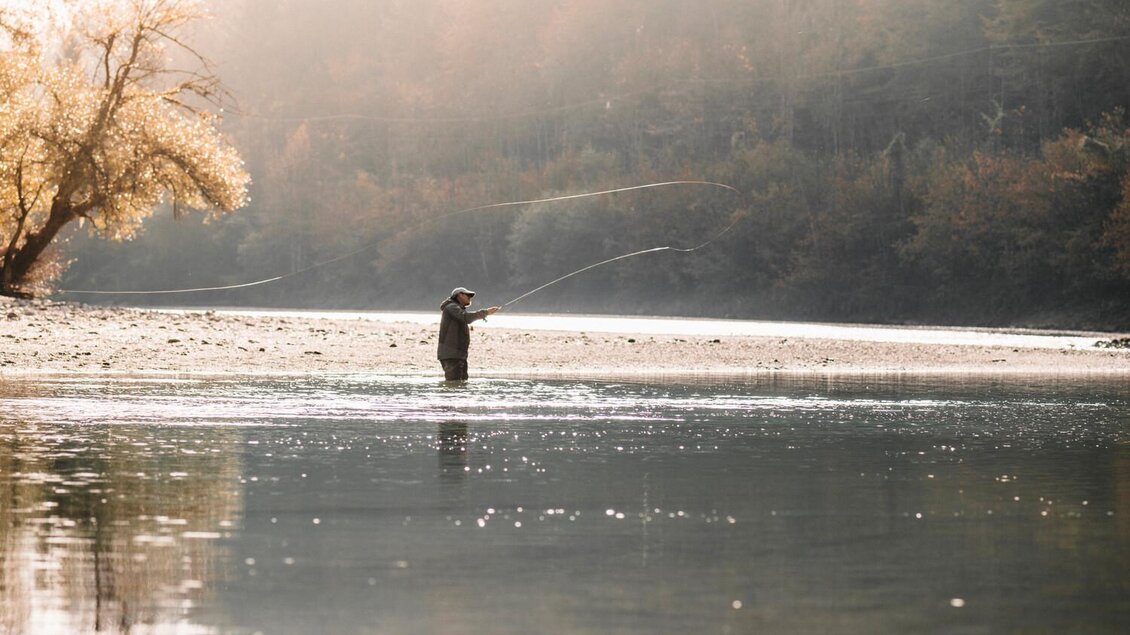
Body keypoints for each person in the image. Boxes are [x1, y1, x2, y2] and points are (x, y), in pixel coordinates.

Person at [437, 287, 498, 381]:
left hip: (458, 354)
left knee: (461, 382)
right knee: (454, 382)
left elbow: (465, 317)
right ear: (459, 295)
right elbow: (466, 318)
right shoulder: (451, 307)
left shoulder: (457, 308)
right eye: (468, 295)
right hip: (451, 354)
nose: (470, 297)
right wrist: (486, 312)